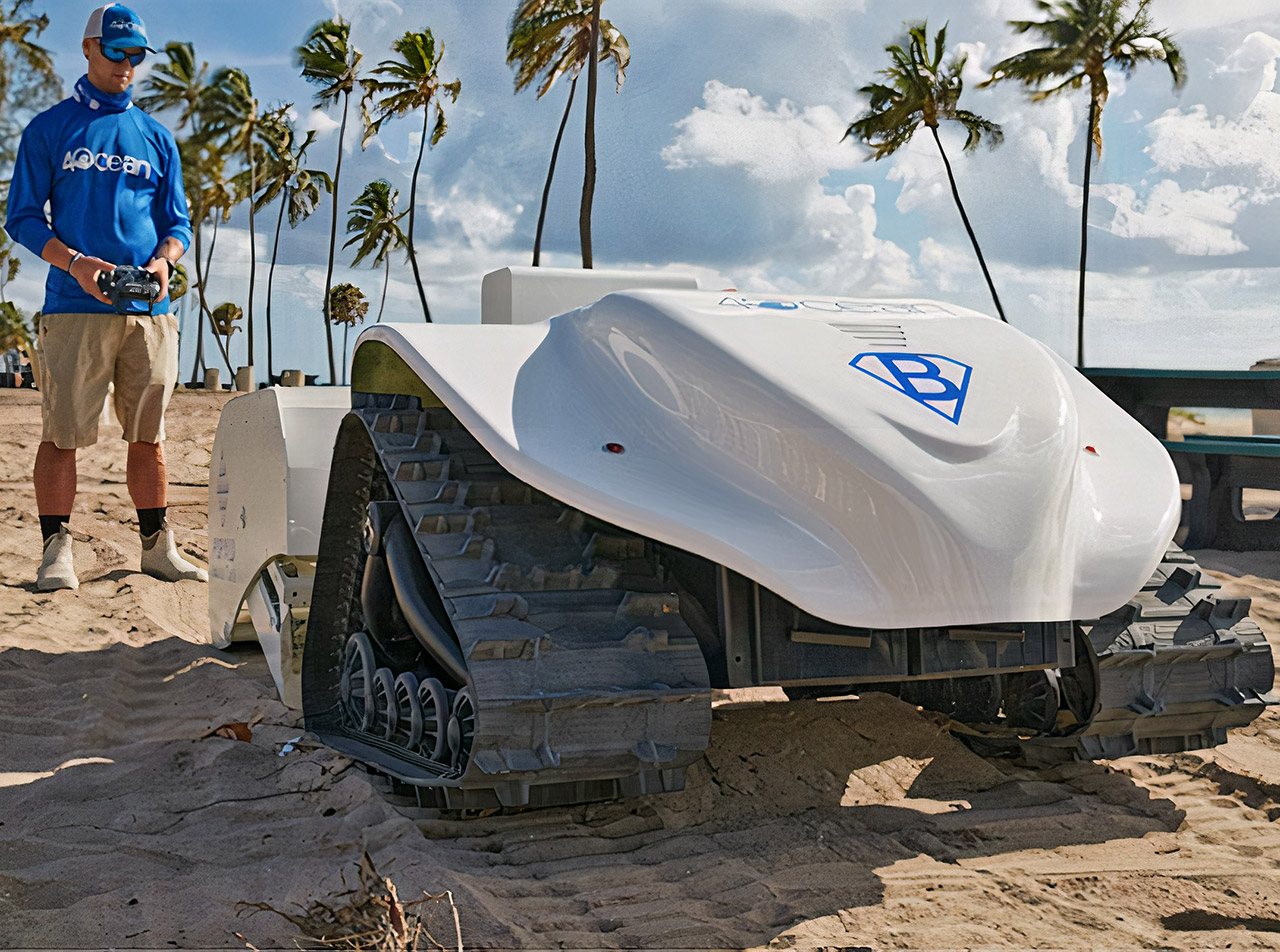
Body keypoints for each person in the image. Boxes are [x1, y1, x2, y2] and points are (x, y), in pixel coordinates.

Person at [4, 3, 206, 590]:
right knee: (61, 433)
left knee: (150, 436)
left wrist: (164, 263)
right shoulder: (49, 128)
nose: (126, 64)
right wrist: (77, 263)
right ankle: (55, 551)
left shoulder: (157, 138)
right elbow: (20, 218)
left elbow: (179, 225)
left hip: (149, 313)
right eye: (116, 51)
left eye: (136, 55)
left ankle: (156, 546)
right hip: (73, 307)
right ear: (89, 48)